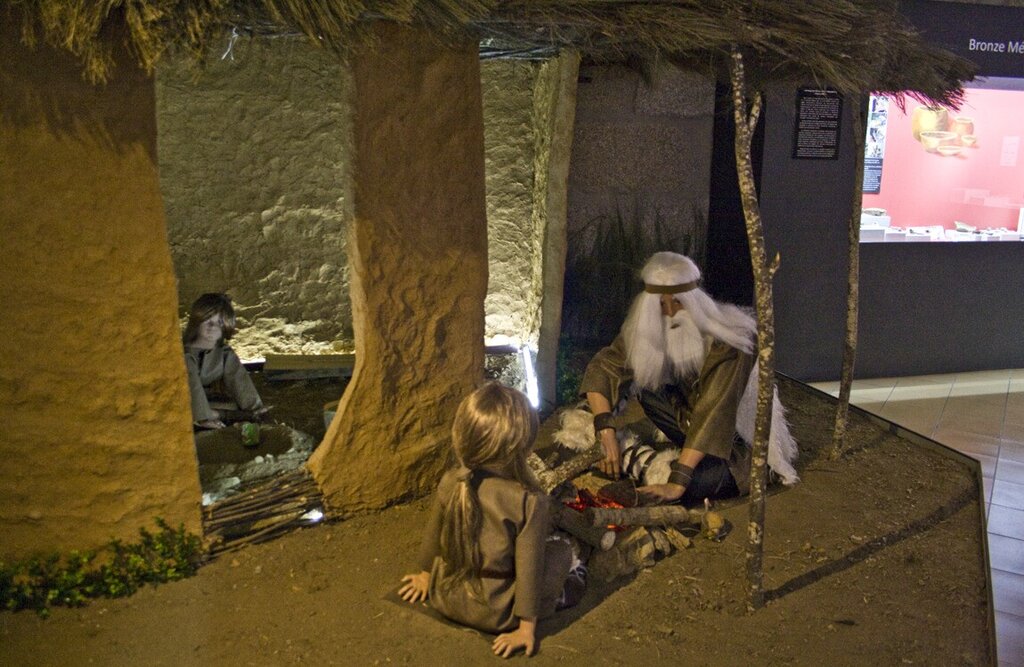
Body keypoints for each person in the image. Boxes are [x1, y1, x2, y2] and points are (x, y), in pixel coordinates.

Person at [579, 251, 798, 506]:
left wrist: (677, 482)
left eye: (678, 302)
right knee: (646, 383)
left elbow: (713, 413)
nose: (671, 313)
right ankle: (628, 454)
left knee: (695, 485)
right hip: (689, 426)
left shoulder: (731, 340)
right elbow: (605, 366)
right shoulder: (652, 327)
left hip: (737, 445)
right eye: (662, 305)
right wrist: (605, 430)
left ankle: (638, 461)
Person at [399, 382, 586, 659]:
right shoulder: (529, 500)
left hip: (445, 596)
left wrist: (426, 576)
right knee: (561, 551)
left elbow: (433, 535)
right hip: (499, 613)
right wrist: (525, 629)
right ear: (522, 444)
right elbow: (530, 567)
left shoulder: (453, 480)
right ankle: (561, 595)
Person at [182, 293, 266, 430]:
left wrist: (256, 410)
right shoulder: (183, 353)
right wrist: (204, 418)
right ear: (197, 321)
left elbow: (238, 378)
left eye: (219, 323)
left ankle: (216, 414)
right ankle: (209, 416)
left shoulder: (223, 353)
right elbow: (192, 384)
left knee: (230, 406)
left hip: (208, 402)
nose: (212, 327)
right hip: (182, 401)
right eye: (207, 320)